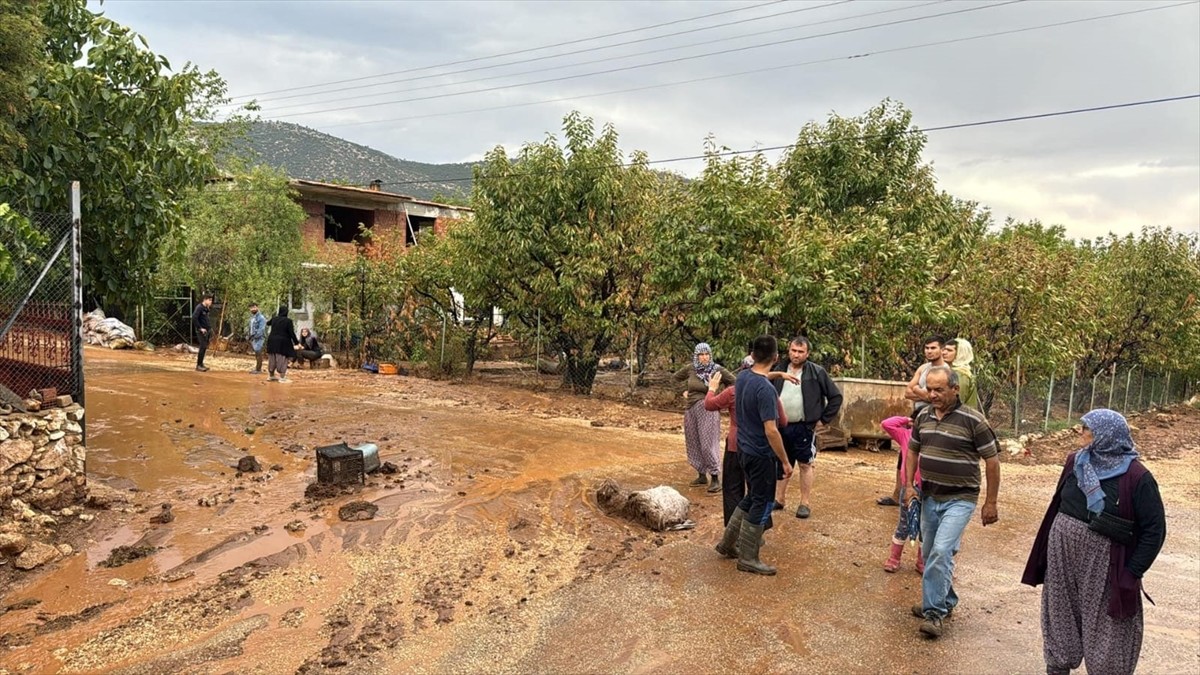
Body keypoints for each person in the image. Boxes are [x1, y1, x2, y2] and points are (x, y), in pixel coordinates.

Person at [1021, 409, 1166, 675]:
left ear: (1106, 436)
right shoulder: (1076, 462)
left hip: (1105, 564)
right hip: (1063, 555)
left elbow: (1154, 530)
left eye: (1088, 429)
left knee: (1107, 625)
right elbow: (1059, 503)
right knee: (1060, 610)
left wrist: (1132, 572)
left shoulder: (1137, 477)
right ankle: (1057, 666)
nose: (1081, 433)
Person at [905, 365, 1000, 639]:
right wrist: (909, 486)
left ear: (955, 389)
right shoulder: (923, 415)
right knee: (931, 551)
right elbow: (912, 451)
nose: (932, 395)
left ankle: (934, 613)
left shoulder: (974, 420)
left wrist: (990, 502)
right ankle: (945, 600)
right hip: (929, 496)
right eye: (930, 389)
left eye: (939, 390)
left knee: (941, 551)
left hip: (960, 498)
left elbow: (992, 462)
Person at [715, 335, 792, 576]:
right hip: (761, 454)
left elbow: (762, 376)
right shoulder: (766, 391)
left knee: (750, 498)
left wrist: (777, 375)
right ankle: (749, 557)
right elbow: (772, 429)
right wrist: (785, 461)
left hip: (743, 450)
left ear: (753, 355)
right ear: (776, 358)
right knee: (762, 502)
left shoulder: (743, 378)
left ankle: (728, 544)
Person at [705, 366, 794, 526]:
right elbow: (783, 421)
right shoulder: (768, 391)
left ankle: (733, 532)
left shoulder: (732, 391)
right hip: (758, 448)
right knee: (758, 491)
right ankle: (758, 528)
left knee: (733, 489)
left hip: (735, 445)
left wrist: (712, 389)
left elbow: (709, 404)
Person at [770, 336, 843, 519]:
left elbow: (835, 397)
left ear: (807, 354)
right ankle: (779, 499)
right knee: (781, 461)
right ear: (789, 350)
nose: (796, 355)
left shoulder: (816, 372)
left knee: (805, 463)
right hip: (780, 426)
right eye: (794, 350)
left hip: (804, 427)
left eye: (800, 352)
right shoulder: (778, 370)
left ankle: (804, 503)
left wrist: (823, 420)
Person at [883, 334, 947, 507]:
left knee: (927, 456)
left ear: (942, 349)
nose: (929, 351)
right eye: (927, 348)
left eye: (933, 348)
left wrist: (919, 391)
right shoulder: (923, 368)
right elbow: (907, 392)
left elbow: (940, 397)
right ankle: (898, 494)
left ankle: (928, 496)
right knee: (904, 455)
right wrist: (926, 394)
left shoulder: (947, 371)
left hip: (936, 418)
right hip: (917, 415)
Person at [673, 343, 735, 494]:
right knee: (694, 441)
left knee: (708, 443)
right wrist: (684, 391)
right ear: (696, 356)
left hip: (709, 408)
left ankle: (715, 477)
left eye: (707, 354)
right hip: (691, 408)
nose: (704, 357)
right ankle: (701, 475)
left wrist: (722, 396)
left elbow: (734, 381)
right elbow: (675, 379)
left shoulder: (717, 370)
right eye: (701, 354)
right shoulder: (691, 368)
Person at [881, 416, 924, 574]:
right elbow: (886, 424)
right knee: (904, 525)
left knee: (925, 528)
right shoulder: (907, 434)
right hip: (910, 488)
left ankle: (922, 562)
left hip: (929, 490)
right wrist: (907, 419)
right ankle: (894, 558)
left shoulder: (934, 438)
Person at [943, 338, 981, 409]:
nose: (944, 352)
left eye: (949, 350)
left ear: (960, 354)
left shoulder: (961, 375)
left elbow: (957, 402)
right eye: (944, 349)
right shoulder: (951, 370)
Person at [265, 306, 299, 383]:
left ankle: (271, 376)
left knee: (272, 358)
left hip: (271, 341)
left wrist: (273, 316)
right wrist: (296, 342)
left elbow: (267, 323)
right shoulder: (288, 321)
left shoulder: (274, 319)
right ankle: (282, 378)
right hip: (282, 343)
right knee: (282, 359)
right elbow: (291, 333)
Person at [192, 294, 214, 372]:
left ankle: (201, 364)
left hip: (207, 330)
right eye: (209, 300)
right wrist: (200, 328)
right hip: (201, 331)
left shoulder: (206, 308)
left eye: (211, 300)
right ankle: (198, 365)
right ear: (205, 300)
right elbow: (194, 318)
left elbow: (206, 319)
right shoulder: (199, 307)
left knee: (204, 347)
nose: (211, 302)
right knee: (202, 346)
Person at [247, 303, 266, 374]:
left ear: (257, 307)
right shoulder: (252, 317)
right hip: (254, 337)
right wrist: (250, 335)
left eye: (254, 307)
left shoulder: (261, 318)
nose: (253, 309)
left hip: (259, 337)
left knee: (258, 352)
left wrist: (255, 336)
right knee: (256, 352)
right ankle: (257, 368)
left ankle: (258, 369)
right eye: (251, 308)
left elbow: (261, 329)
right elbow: (250, 327)